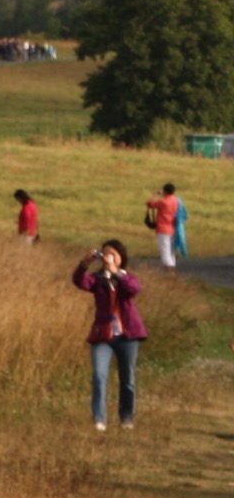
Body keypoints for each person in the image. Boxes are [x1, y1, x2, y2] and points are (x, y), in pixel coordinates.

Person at [72, 239, 145, 431]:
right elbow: (79, 281)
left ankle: (127, 417)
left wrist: (116, 274)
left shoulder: (127, 278)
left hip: (128, 335)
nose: (108, 257)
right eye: (105, 254)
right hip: (103, 335)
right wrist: (85, 264)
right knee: (99, 375)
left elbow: (134, 289)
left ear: (121, 258)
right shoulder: (97, 279)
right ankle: (99, 418)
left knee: (127, 378)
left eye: (112, 254)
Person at [150, 184, 182, 269]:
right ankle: (172, 264)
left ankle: (168, 266)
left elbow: (150, 203)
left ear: (165, 191)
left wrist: (155, 194)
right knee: (171, 249)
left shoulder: (163, 202)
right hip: (173, 227)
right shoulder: (176, 200)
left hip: (163, 228)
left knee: (164, 248)